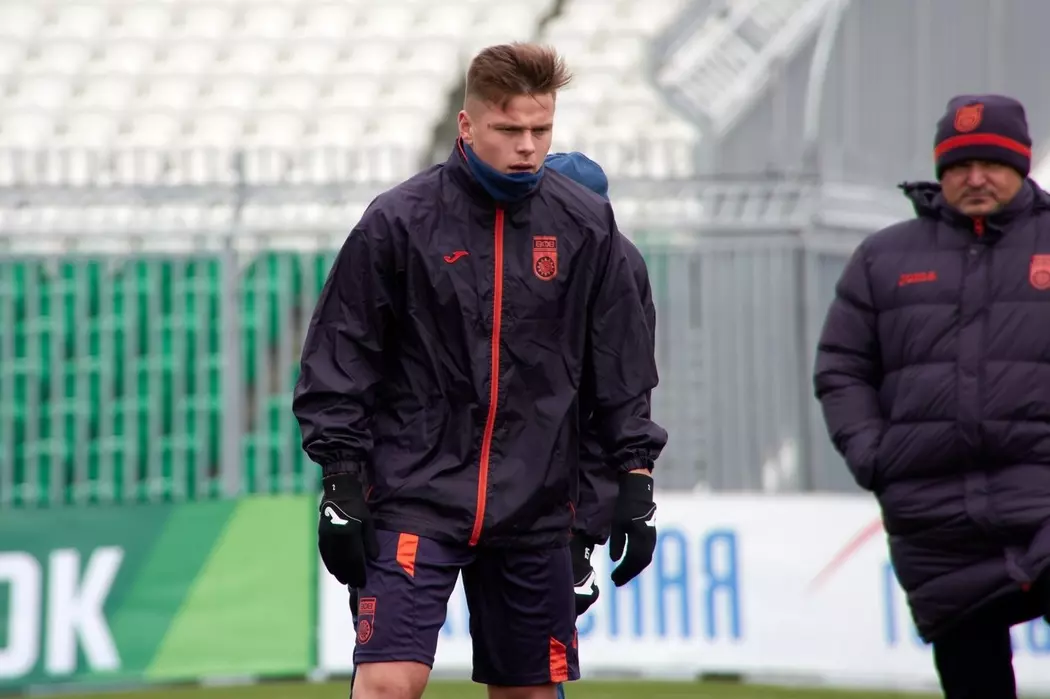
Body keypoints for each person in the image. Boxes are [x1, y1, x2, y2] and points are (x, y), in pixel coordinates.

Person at [293, 42, 667, 699]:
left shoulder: (587, 226)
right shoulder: (399, 220)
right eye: (509, 129)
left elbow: (619, 372)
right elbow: (343, 354)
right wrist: (341, 482)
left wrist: (632, 484)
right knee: (387, 683)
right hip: (414, 494)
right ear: (467, 125)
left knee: (528, 693)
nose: (527, 146)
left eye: (541, 130)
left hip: (536, 507)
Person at [814, 93, 1050, 699]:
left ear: (1021, 165)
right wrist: (877, 457)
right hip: (937, 519)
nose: (975, 178)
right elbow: (842, 368)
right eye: (959, 165)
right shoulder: (883, 258)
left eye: (991, 163)